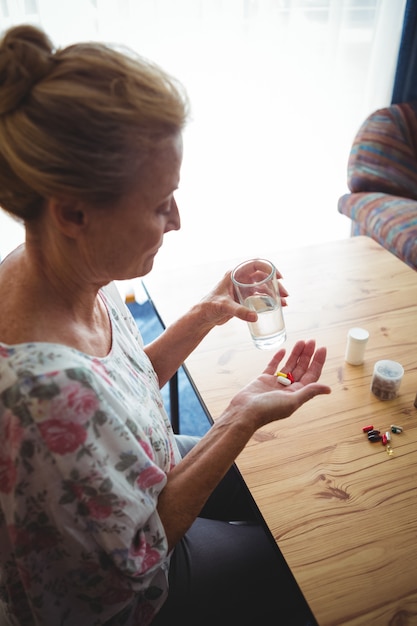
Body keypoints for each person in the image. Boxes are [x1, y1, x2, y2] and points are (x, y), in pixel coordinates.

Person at [0, 24, 331, 626]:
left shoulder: (49, 268)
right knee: (308, 555)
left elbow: (121, 392)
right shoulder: (43, 399)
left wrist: (206, 312)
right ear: (72, 211)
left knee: (295, 477)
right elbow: (138, 563)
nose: (176, 220)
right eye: (159, 204)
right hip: (138, 589)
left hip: (149, 469)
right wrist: (239, 416)